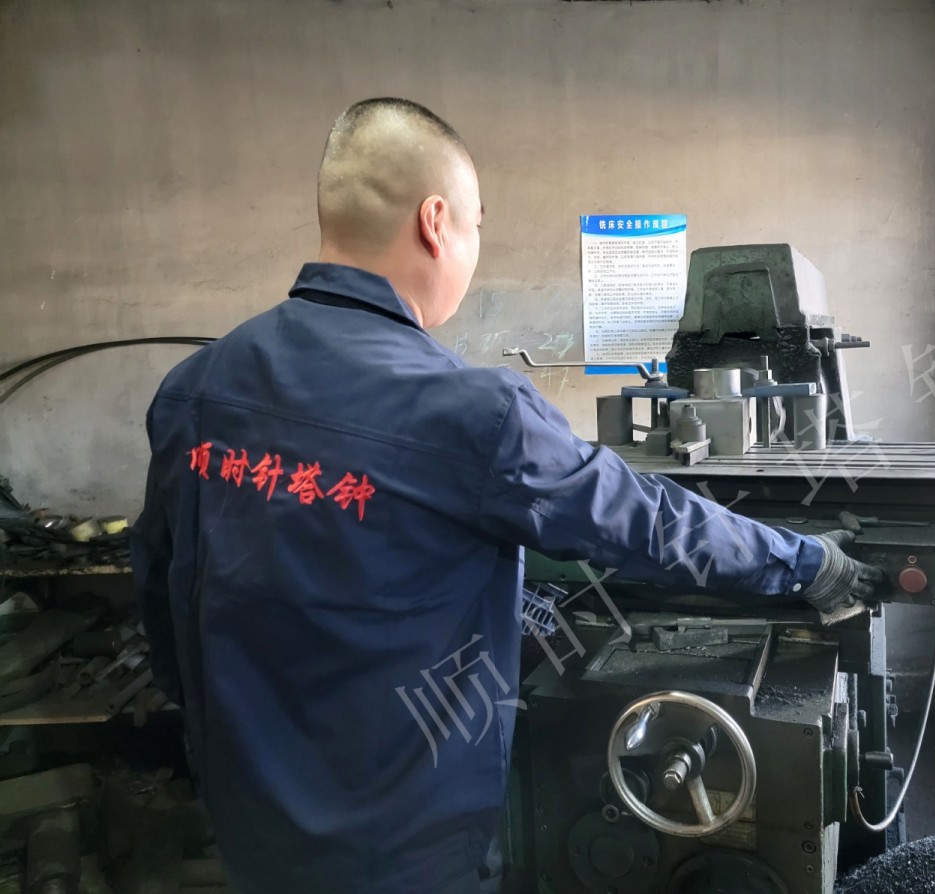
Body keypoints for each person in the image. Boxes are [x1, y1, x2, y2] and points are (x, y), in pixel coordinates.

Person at [131, 97, 883, 894]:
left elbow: (161, 589)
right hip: (408, 849)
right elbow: (647, 523)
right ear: (436, 223)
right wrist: (809, 564)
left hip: (249, 823)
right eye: (477, 225)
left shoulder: (194, 389)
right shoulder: (471, 412)